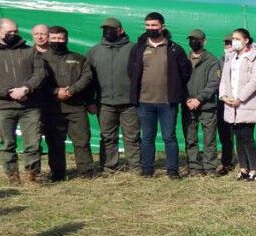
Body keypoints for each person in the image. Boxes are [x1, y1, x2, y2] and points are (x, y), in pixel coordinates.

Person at [0, 18, 47, 184]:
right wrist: (8, 93)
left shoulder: (30, 51)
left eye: (16, 31)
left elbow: (40, 74)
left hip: (30, 105)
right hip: (3, 106)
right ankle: (12, 176)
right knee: (7, 143)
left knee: (33, 142)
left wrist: (26, 88)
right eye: (9, 32)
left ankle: (32, 175)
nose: (13, 35)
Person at [128, 12, 192, 179]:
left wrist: (175, 88)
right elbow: (131, 71)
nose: (151, 29)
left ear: (162, 26)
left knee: (169, 137)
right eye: (148, 26)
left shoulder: (174, 49)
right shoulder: (138, 48)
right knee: (147, 137)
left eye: (154, 25)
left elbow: (185, 72)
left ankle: (172, 170)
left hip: (167, 103)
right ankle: (147, 170)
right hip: (144, 101)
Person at [40, 26, 95, 180]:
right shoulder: (40, 59)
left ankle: (86, 173)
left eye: (61, 38)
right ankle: (57, 174)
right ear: (48, 39)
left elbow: (87, 77)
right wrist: (55, 91)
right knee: (55, 143)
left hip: (76, 107)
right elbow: (38, 80)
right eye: (54, 38)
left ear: (66, 39)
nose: (57, 41)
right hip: (51, 108)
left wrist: (71, 90)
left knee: (82, 141)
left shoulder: (78, 58)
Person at [86, 17, 140, 174]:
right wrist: (90, 101)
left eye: (112, 29)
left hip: (130, 103)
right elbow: (89, 80)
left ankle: (136, 168)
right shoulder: (94, 51)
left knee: (132, 137)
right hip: (104, 103)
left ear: (121, 30)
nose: (108, 31)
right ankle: (109, 168)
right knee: (108, 137)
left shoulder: (134, 49)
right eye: (105, 29)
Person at [219, 28, 256, 180]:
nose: (234, 41)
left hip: (246, 103)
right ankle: (243, 168)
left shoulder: (255, 57)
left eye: (237, 38)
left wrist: (240, 98)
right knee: (237, 136)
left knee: (247, 136)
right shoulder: (230, 57)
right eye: (233, 38)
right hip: (231, 103)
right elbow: (225, 78)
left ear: (246, 40)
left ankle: (254, 168)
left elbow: (255, 81)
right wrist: (224, 96)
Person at [181, 29, 221, 177]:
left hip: (207, 106)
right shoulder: (184, 58)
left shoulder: (212, 60)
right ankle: (194, 167)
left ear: (204, 41)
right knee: (190, 138)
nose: (193, 42)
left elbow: (214, 83)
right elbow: (179, 81)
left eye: (197, 39)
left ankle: (210, 168)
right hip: (188, 105)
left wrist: (199, 99)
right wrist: (186, 99)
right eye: (191, 39)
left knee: (209, 139)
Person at [216, 36, 236, 175]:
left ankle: (246, 164)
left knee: (242, 135)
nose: (228, 45)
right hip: (222, 102)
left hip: (239, 102)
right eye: (226, 43)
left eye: (230, 43)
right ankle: (226, 163)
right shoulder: (219, 60)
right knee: (225, 135)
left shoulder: (242, 60)